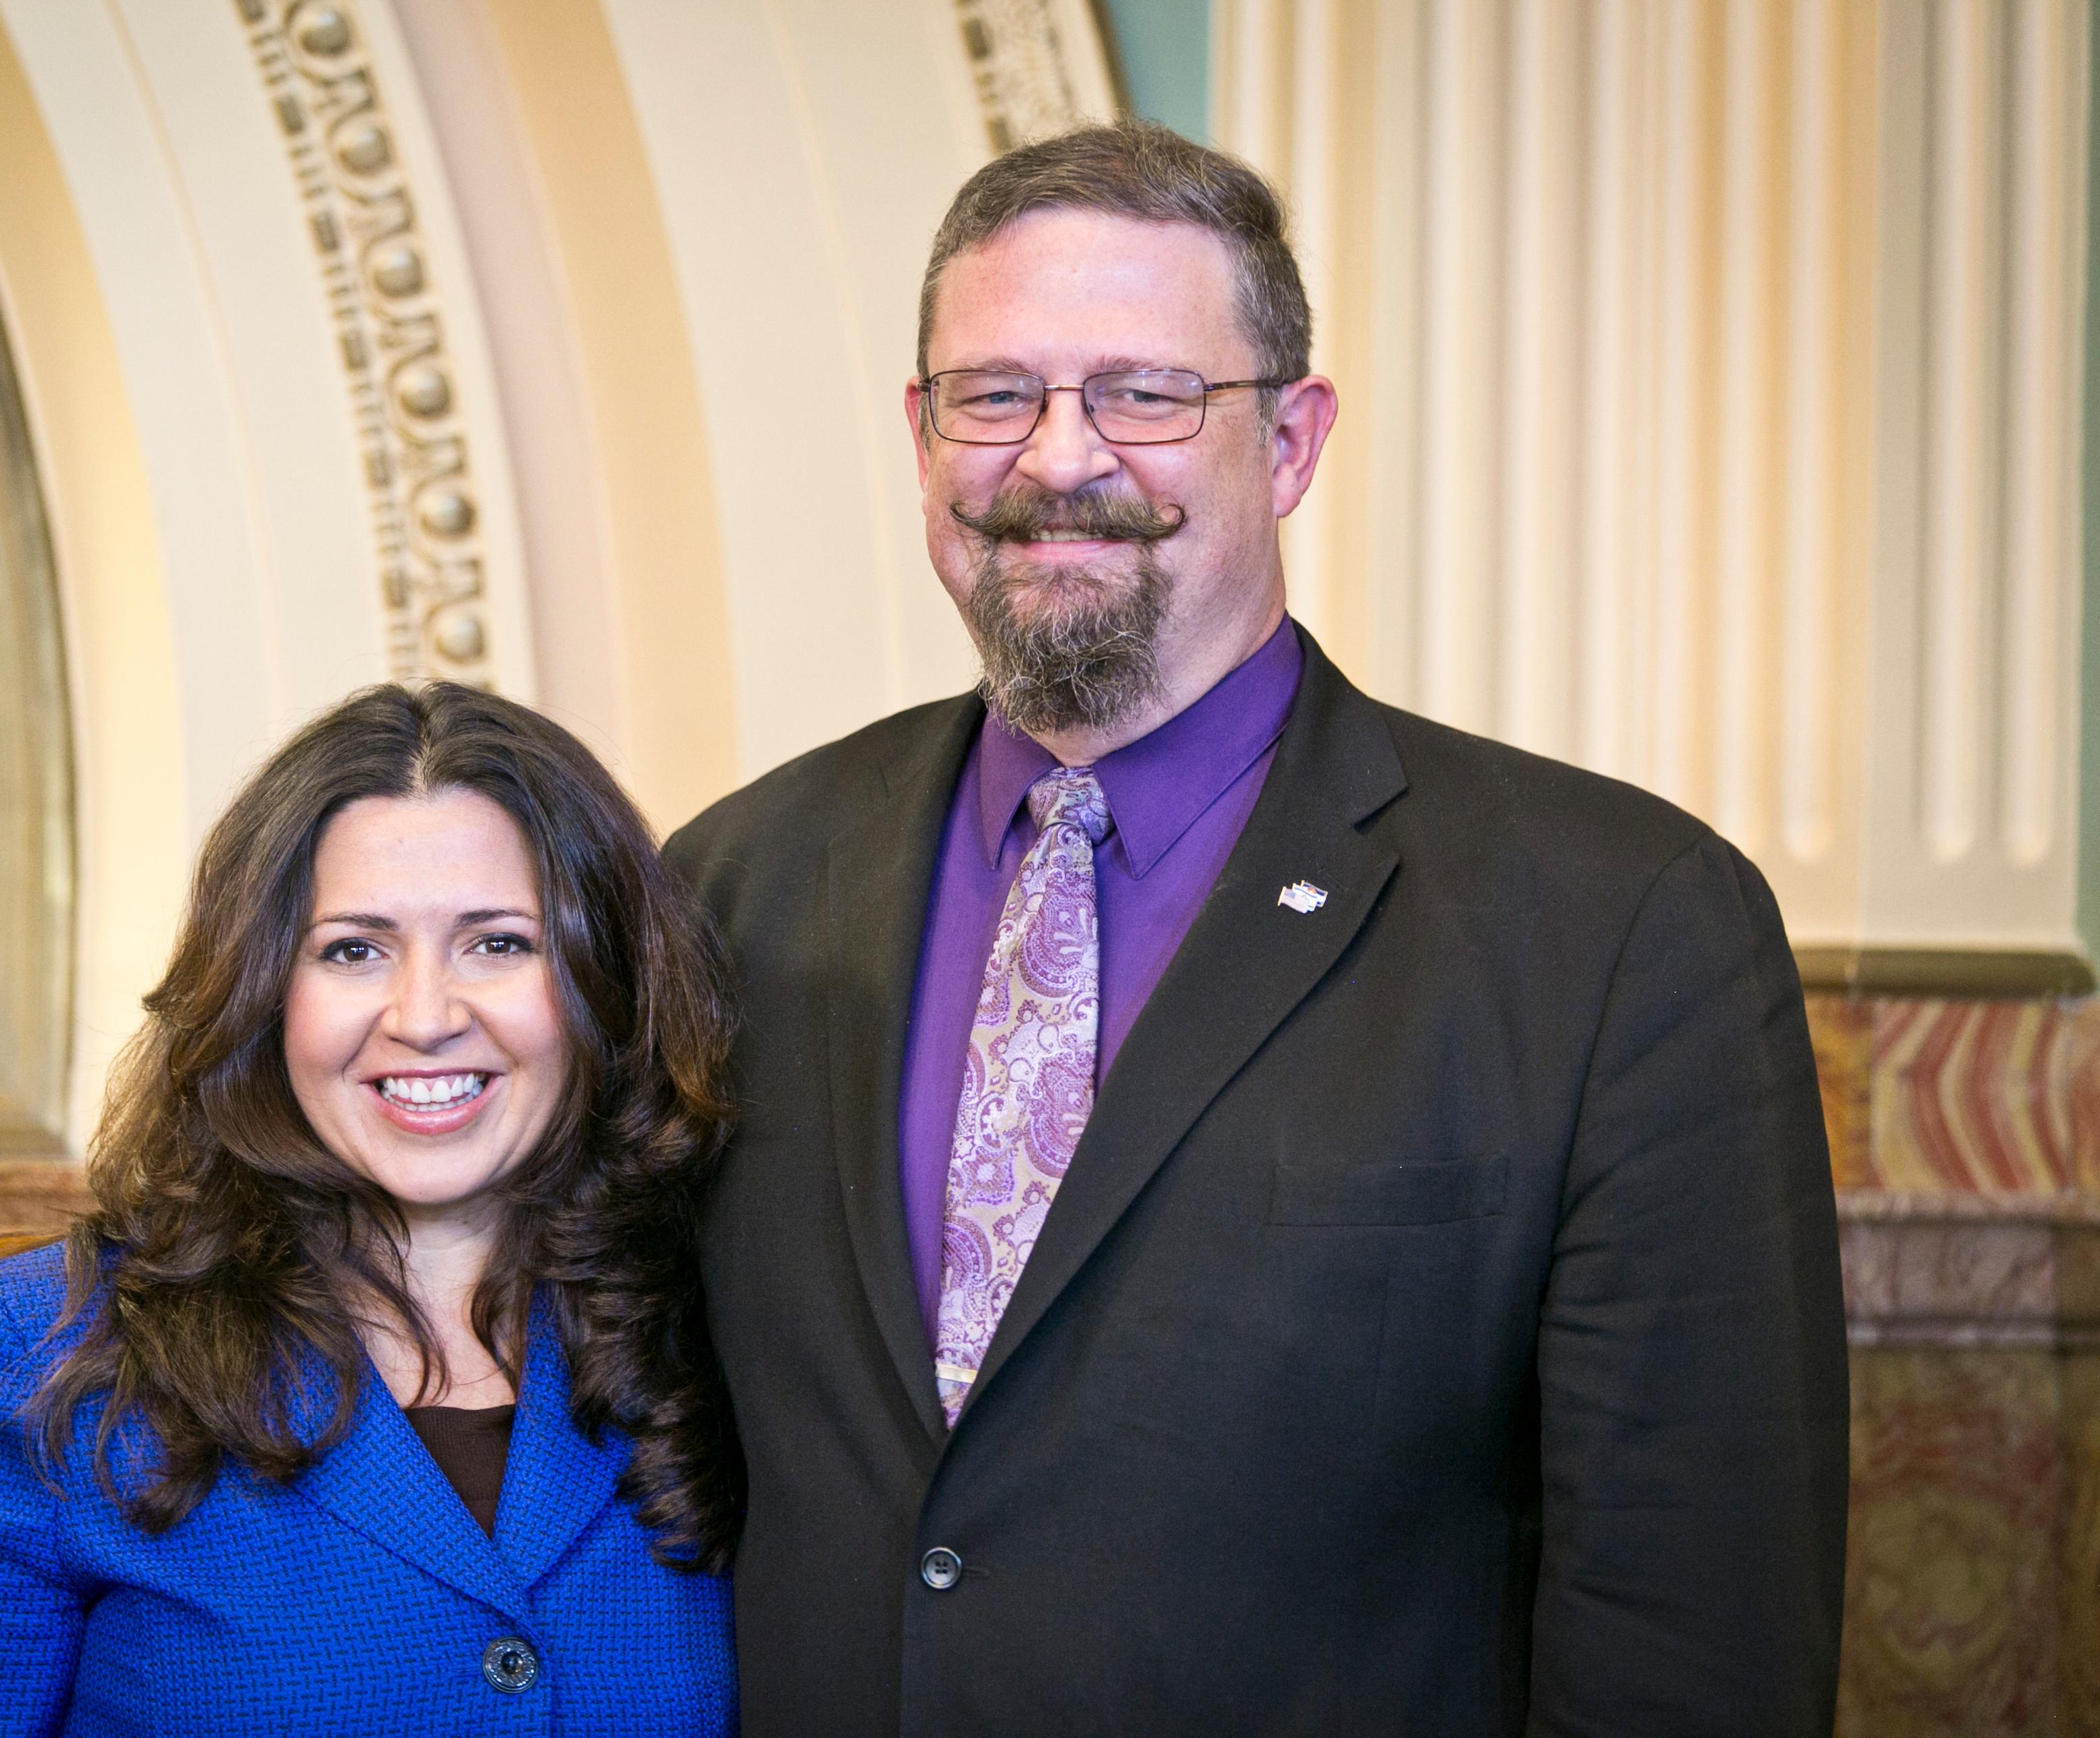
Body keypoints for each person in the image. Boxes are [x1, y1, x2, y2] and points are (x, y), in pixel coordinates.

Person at [664, 122, 1848, 1736]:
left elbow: (1693, 1627)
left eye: (1145, 394)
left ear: (1290, 442)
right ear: (922, 431)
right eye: (995, 394)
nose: (1058, 458)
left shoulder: (1620, 927)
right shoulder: (732, 883)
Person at [0, 684, 741, 1736]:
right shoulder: (26, 1358)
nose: (426, 1017)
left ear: (605, 986)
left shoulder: (717, 1345)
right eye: (354, 949)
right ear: (264, 992)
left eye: (499, 943)